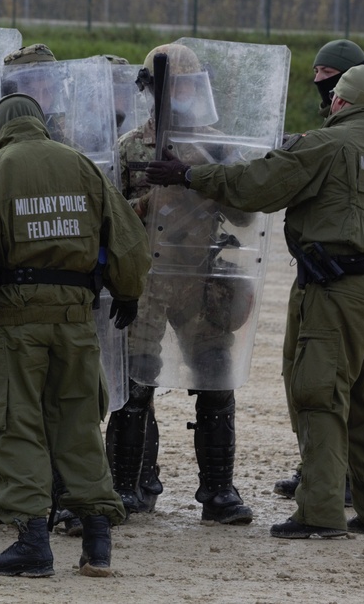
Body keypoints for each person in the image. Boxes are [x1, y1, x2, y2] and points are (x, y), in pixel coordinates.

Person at [144, 64, 364, 539]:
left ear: (341, 102)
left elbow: (259, 187)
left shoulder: (328, 144)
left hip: (337, 291)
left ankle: (320, 514)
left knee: (321, 397)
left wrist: (188, 173)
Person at [0, 93, 151, 577]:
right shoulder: (83, 166)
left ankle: (32, 541)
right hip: (76, 321)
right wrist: (128, 291)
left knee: (17, 424)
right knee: (78, 422)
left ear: (0, 129)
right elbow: (128, 238)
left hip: (15, 323)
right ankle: (97, 541)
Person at [108, 43, 258, 525]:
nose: (189, 96)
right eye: (181, 88)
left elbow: (245, 211)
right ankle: (128, 487)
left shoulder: (216, 145)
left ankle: (218, 491)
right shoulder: (131, 146)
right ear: (156, 93)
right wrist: (152, 198)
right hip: (148, 281)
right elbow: (111, 220)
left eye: (196, 87)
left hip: (199, 279)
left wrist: (201, 174)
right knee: (136, 384)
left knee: (216, 378)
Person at [273, 38, 364, 503]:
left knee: (317, 381)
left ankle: (331, 482)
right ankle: (325, 472)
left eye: (326, 79)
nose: (320, 89)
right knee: (350, 389)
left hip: (338, 275)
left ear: (345, 82)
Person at [0, 43, 81, 532]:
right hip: (0, 292)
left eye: (50, 83)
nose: (46, 92)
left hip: (60, 288)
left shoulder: (74, 139)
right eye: (35, 85)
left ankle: (63, 496)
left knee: (62, 395)